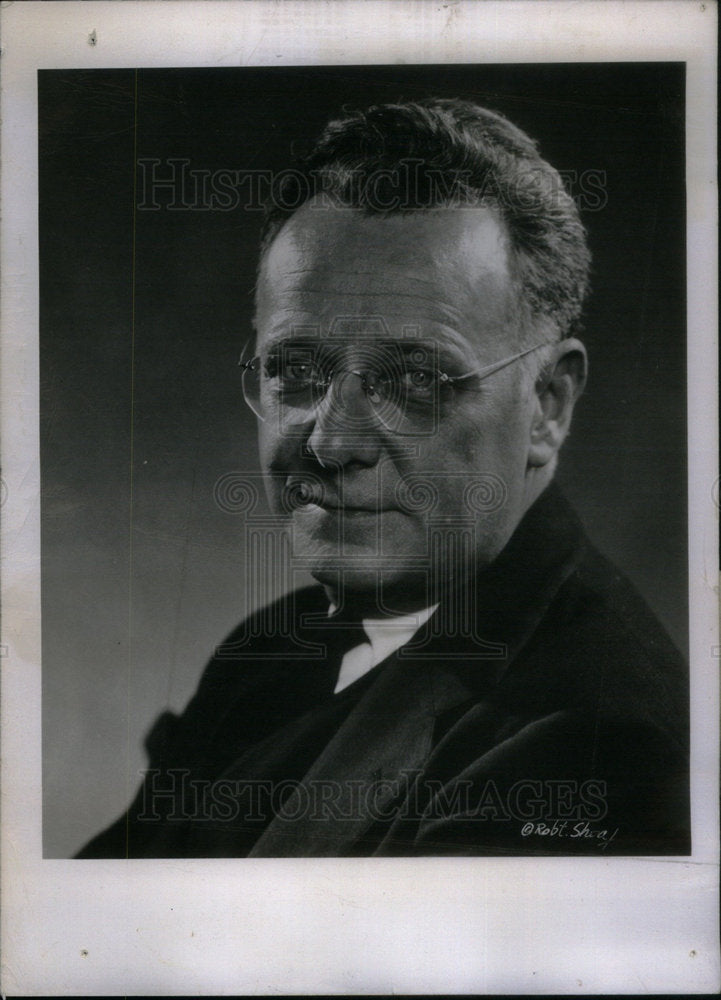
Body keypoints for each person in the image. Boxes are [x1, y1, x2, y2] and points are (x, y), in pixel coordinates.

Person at [78, 98, 689, 858]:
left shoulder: (594, 739)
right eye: (295, 371)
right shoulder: (267, 657)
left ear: (546, 406)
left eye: (415, 382)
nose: (332, 444)